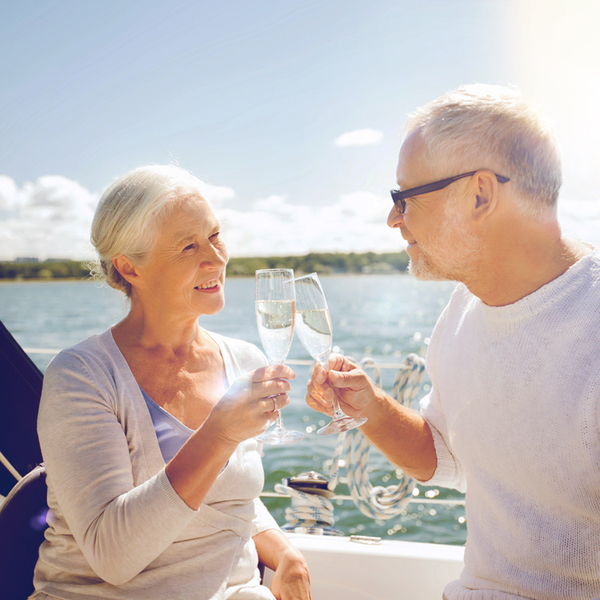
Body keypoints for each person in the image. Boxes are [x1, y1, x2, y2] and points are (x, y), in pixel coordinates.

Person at [306, 84, 600, 600]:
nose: (393, 218)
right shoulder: (462, 310)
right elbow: (446, 457)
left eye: (404, 197)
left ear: (480, 194)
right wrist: (371, 408)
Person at [32, 164, 311, 600]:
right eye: (188, 246)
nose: (216, 259)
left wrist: (284, 551)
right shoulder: (81, 377)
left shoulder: (243, 360)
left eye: (215, 236)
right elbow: (114, 557)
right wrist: (218, 434)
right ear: (129, 267)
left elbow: (225, 497)